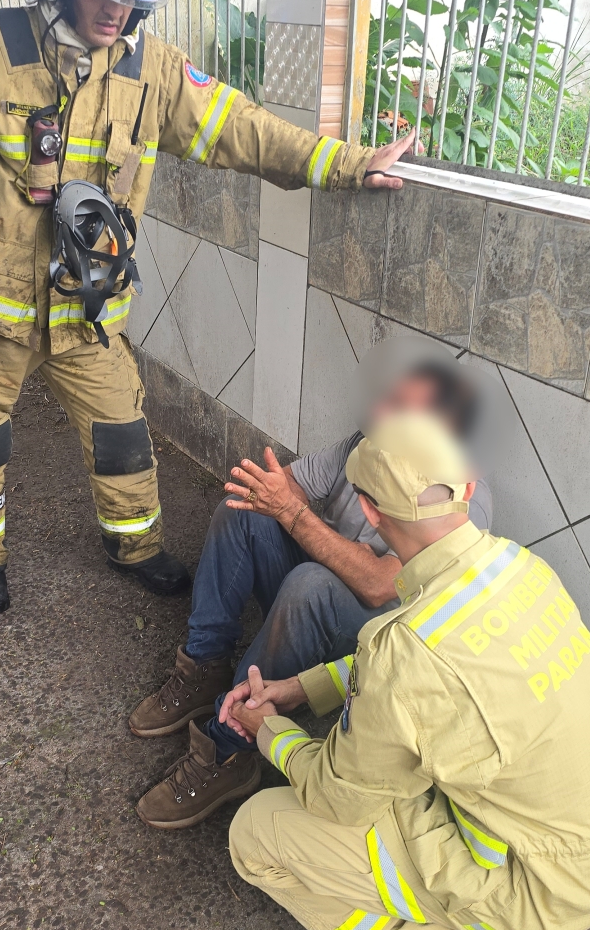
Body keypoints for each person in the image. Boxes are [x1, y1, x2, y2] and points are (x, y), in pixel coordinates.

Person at [0, 0, 414, 619]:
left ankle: (134, 548)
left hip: (85, 310)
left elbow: (243, 129)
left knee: (123, 432)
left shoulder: (153, 69)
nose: (116, 10)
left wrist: (348, 164)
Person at [221, 412, 590, 930]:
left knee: (257, 833)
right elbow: (426, 677)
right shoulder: (519, 566)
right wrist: (302, 688)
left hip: (530, 891)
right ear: (466, 487)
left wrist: (270, 730)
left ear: (369, 513)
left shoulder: (406, 653)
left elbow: (336, 795)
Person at [133, 348, 493, 829]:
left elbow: (379, 586)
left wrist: (298, 518)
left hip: (374, 647)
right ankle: (205, 665)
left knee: (311, 585)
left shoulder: (460, 495)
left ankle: (229, 749)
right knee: (244, 514)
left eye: (399, 405)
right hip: (324, 590)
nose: (380, 409)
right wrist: (287, 508)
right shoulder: (363, 445)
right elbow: (288, 486)